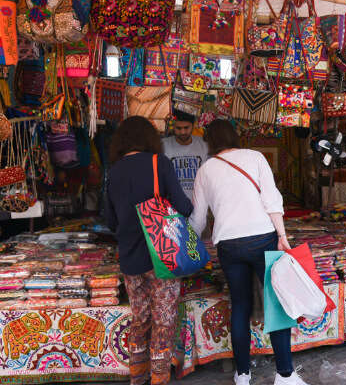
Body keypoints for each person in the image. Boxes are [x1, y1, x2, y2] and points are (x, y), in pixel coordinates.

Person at [190, 120, 308, 385]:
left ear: (210, 141)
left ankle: (242, 374)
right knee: (276, 305)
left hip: (228, 245)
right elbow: (272, 200)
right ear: (234, 136)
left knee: (240, 305)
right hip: (262, 237)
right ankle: (284, 375)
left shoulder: (205, 169)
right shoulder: (255, 157)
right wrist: (282, 236)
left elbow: (197, 219)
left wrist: (189, 248)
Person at [104, 116, 193, 385]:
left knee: (140, 319)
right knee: (163, 321)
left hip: (130, 258)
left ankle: (137, 377)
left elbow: (109, 220)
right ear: (149, 138)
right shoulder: (159, 164)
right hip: (161, 257)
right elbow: (185, 207)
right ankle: (159, 378)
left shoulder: (115, 171)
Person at [162, 110, 209, 202]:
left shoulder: (204, 146)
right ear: (172, 127)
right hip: (171, 207)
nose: (183, 132)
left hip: (200, 205)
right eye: (178, 128)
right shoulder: (162, 146)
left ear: (193, 125)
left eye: (186, 127)